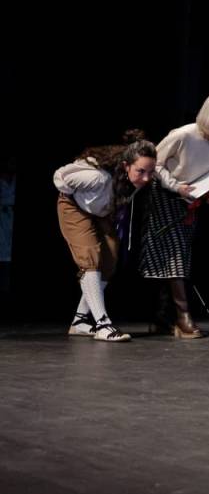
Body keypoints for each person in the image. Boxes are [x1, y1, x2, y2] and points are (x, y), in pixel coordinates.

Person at [139, 94, 209, 339]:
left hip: (191, 197)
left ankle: (162, 317)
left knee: (178, 252)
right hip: (165, 193)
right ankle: (183, 317)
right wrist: (175, 187)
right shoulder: (184, 135)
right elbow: (155, 164)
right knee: (175, 251)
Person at [53, 130, 157, 342]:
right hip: (74, 206)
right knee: (90, 257)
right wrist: (76, 195)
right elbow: (60, 175)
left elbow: (160, 174)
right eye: (140, 171)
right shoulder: (97, 176)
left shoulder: (138, 176)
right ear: (126, 166)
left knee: (109, 261)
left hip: (102, 212)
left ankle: (80, 321)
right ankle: (102, 324)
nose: (146, 178)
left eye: (150, 171)